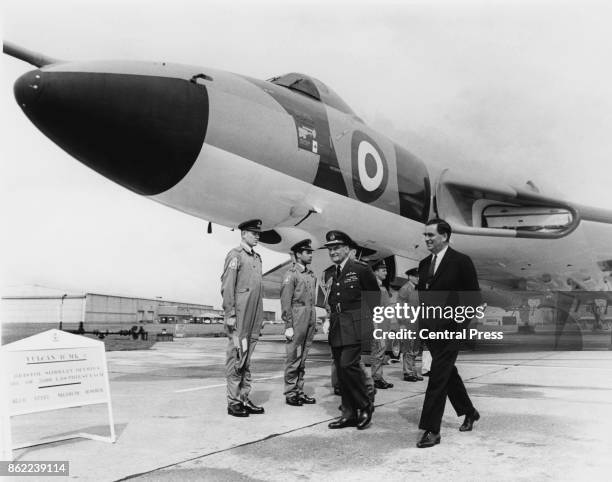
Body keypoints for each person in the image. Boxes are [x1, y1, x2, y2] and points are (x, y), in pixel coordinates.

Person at [416, 219, 482, 448]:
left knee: (437, 376)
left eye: (430, 235)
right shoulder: (424, 264)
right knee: (447, 374)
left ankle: (431, 430)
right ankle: (469, 411)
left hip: (452, 331)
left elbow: (473, 298)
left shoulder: (461, 262)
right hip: (430, 331)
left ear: (444, 236)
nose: (426, 239)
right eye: (425, 235)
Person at [323, 230, 380, 430]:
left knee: (348, 365)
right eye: (330, 248)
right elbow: (331, 298)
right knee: (341, 370)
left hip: (356, 324)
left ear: (347, 249)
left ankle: (365, 405)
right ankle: (348, 414)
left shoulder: (360, 269)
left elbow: (374, 299)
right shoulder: (330, 272)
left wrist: (370, 325)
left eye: (337, 247)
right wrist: (329, 319)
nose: (333, 252)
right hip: (337, 324)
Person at [221, 219, 266, 417]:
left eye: (258, 233)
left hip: (253, 317)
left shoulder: (257, 258)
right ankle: (233, 402)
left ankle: (244, 398)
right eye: (253, 232)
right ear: (243, 234)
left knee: (246, 359)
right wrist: (229, 314)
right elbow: (227, 287)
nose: (257, 236)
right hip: (239, 316)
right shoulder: (235, 255)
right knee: (236, 358)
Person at [281, 239, 318, 406]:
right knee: (294, 357)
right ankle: (290, 393)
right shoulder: (291, 274)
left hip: (309, 318)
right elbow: (285, 301)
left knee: (303, 358)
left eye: (311, 252)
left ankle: (299, 391)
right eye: (307, 252)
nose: (310, 254)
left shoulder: (311, 275)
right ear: (298, 254)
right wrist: (288, 325)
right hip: (297, 319)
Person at [397, 268, 423, 382]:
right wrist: (402, 322)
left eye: (419, 276)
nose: (418, 278)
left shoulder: (415, 289)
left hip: (416, 323)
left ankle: (413, 371)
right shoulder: (405, 289)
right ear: (410, 277)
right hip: (408, 323)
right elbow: (400, 307)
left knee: (415, 348)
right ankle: (408, 372)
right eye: (416, 276)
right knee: (408, 348)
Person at [371, 260, 394, 389]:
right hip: (378, 325)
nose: (386, 272)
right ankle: (376, 379)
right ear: (375, 272)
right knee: (378, 352)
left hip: (384, 324)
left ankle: (378, 377)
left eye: (386, 270)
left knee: (381, 351)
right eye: (383, 270)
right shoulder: (374, 288)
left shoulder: (383, 287)